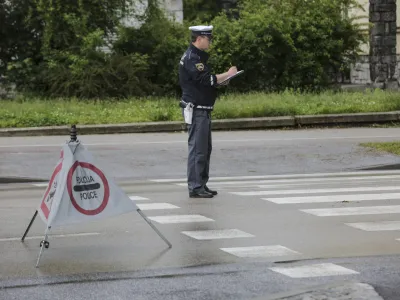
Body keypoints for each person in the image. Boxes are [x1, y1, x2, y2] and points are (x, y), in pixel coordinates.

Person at [178, 25, 238, 198]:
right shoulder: (192, 58)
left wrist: (222, 80)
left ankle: (201, 184)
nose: (210, 41)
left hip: (202, 108)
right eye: (208, 38)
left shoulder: (197, 57)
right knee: (198, 149)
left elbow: (205, 82)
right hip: (197, 109)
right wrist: (227, 74)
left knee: (205, 148)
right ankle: (196, 187)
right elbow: (207, 79)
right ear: (199, 38)